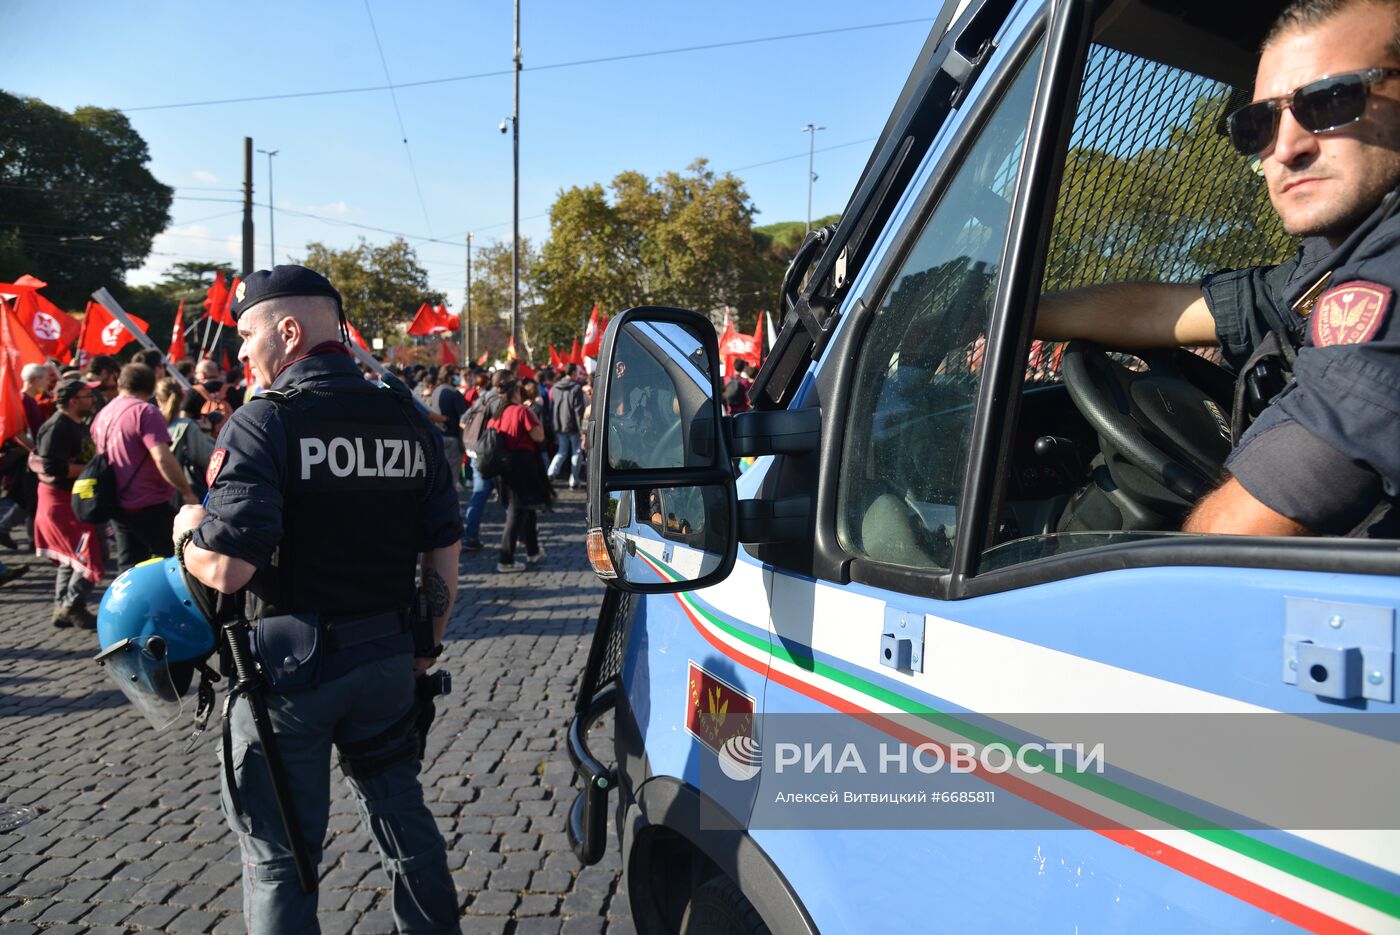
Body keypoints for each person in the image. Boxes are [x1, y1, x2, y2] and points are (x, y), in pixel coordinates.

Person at [1036, 0, 1400, 538]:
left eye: (1330, 100)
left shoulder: (1387, 277)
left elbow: (1229, 541)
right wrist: (1015, 316)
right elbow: (1175, 309)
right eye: (1260, 124)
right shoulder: (1334, 263)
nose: (1285, 147)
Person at [171, 265, 462, 933]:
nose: (239, 351)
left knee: (280, 858)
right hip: (389, 661)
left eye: (246, 334)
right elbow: (442, 551)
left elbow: (228, 568)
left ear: (290, 331)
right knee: (405, 827)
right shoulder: (406, 417)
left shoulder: (263, 422)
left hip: (287, 679)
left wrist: (188, 530)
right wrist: (425, 646)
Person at [90, 363, 198, 572]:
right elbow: (162, 458)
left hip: (116, 500)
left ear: (121, 383)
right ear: (151, 387)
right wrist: (186, 491)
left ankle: (130, 603)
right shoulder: (145, 412)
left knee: (130, 565)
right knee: (177, 560)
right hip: (148, 502)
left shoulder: (103, 413)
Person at [32, 377, 102, 628]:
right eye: (87, 396)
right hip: (60, 499)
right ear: (73, 401)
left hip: (75, 495)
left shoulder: (76, 423)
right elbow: (53, 467)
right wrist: (93, 469)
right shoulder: (56, 427)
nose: (93, 399)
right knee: (91, 550)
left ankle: (63, 606)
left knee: (72, 555)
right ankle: (73, 604)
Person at [488, 377, 550, 572]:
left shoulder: (497, 414)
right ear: (516, 392)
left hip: (503, 466)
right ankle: (505, 559)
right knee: (517, 511)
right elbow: (538, 436)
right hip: (523, 464)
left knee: (526, 507)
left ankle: (533, 550)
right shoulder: (523, 411)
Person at [461, 370, 509, 551]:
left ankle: (470, 535)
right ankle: (521, 535)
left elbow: (463, 421)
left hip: (476, 453)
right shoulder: (499, 401)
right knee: (507, 496)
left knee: (479, 496)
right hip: (492, 455)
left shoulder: (481, 399)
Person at [156, 377, 215, 503]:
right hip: (182, 494)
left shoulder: (149, 424)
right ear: (183, 397)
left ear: (158, 399)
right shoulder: (187, 427)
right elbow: (208, 459)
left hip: (152, 492)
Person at [428, 364, 469, 501]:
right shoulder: (454, 393)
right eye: (457, 374)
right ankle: (451, 507)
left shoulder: (436, 391)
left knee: (440, 475)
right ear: (451, 376)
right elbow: (465, 417)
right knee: (451, 477)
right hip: (452, 438)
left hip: (438, 436)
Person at [548, 363, 587, 489]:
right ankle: (574, 480)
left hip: (559, 424)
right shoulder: (576, 388)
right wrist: (582, 430)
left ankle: (551, 472)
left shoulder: (555, 387)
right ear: (574, 373)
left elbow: (552, 407)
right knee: (576, 452)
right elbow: (578, 411)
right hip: (573, 426)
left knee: (562, 451)